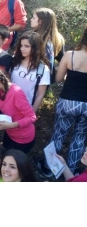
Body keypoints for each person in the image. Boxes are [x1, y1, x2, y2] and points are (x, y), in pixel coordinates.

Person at [49, 26, 87, 173]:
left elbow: (58, 78)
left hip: (68, 101)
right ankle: (70, 172)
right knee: (80, 138)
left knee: (58, 135)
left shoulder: (71, 55)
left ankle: (52, 169)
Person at [10, 32, 50, 112]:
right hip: (8, 104)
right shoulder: (14, 61)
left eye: (26, 46)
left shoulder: (43, 69)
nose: (22, 49)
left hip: (25, 109)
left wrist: (31, 114)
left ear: (36, 48)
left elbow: (40, 95)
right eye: (21, 46)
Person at [30, 7, 65, 79]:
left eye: (33, 18)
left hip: (31, 74)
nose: (31, 20)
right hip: (47, 76)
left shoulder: (33, 36)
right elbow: (62, 59)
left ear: (41, 21)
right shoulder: (58, 38)